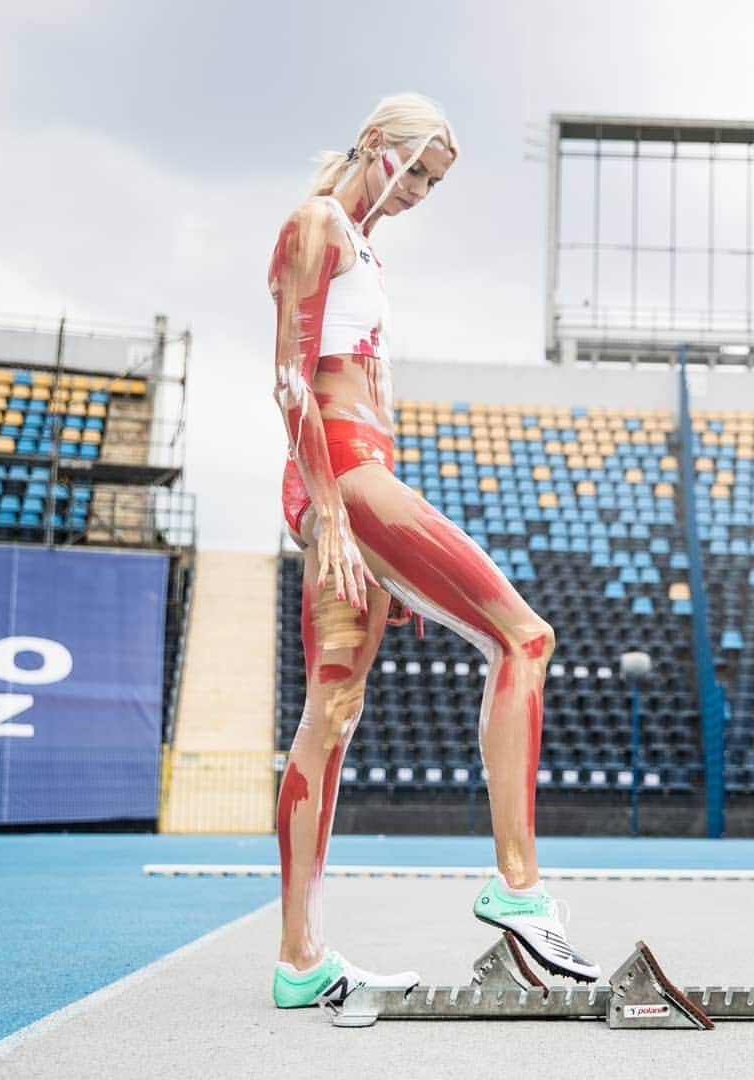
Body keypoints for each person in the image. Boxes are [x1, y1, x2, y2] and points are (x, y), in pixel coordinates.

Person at [267, 92, 600, 1010]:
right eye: (411, 168)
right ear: (374, 143)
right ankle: (520, 892)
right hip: (343, 474)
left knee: (330, 713)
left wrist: (376, 550)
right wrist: (339, 514)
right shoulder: (317, 224)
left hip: (352, 480)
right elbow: (291, 379)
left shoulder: (359, 243)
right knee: (523, 640)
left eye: (434, 181)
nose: (418, 189)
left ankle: (300, 962)